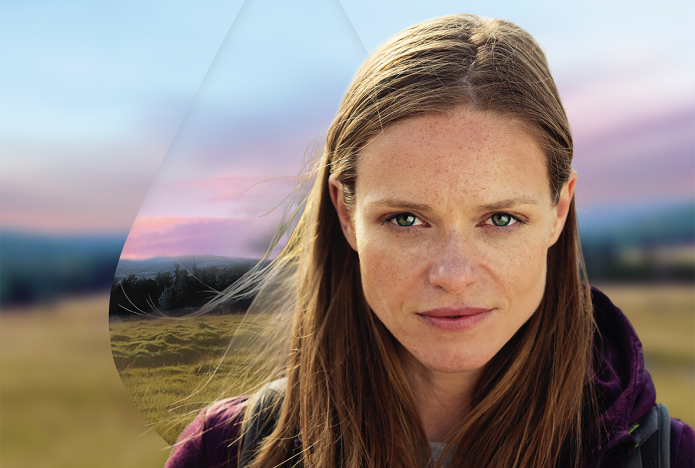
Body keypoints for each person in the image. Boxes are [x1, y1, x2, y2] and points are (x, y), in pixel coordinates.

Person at [165, 14, 695, 468]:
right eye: (406, 220)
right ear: (346, 215)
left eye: (502, 219)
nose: (453, 273)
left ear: (560, 209)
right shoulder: (226, 452)